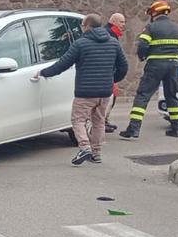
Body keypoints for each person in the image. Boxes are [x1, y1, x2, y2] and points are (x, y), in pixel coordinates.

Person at [34, 14, 129, 165]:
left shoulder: (81, 44)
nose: (81, 28)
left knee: (78, 120)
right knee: (98, 122)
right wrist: (112, 79)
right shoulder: (113, 43)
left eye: (82, 26)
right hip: (105, 92)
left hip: (85, 93)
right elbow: (124, 67)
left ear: (87, 26)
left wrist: (43, 73)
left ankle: (85, 147)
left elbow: (62, 64)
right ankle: (96, 154)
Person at [120, 1, 178, 140]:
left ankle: (133, 129)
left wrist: (142, 56)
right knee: (172, 96)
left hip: (155, 65)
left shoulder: (151, 27)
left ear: (155, 12)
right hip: (172, 66)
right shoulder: (177, 29)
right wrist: (177, 61)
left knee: (143, 95)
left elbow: (143, 44)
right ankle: (176, 129)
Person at [104, 13, 127, 133]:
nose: (124, 25)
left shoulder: (112, 33)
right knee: (108, 99)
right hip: (108, 74)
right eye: (121, 22)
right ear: (114, 22)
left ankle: (105, 121)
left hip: (110, 73)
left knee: (112, 97)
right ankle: (102, 122)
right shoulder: (110, 34)